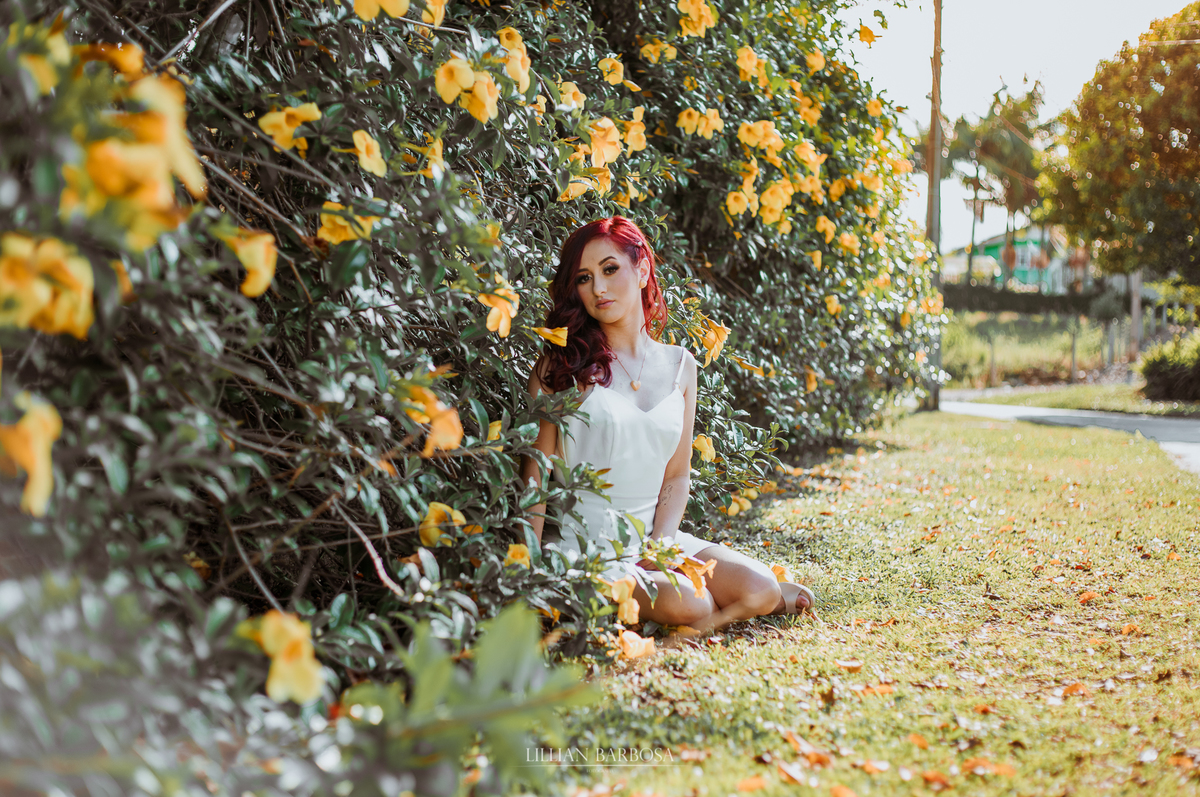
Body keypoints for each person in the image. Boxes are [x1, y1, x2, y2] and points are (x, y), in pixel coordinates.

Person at [519, 216, 814, 633]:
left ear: (641, 271)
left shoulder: (681, 365)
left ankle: (721, 600)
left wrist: (660, 546)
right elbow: (535, 479)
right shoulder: (560, 367)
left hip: (654, 542)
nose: (598, 289)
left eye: (610, 269)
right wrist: (524, 573)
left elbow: (676, 473)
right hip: (584, 547)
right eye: (584, 278)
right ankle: (669, 605)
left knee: (760, 588)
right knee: (691, 603)